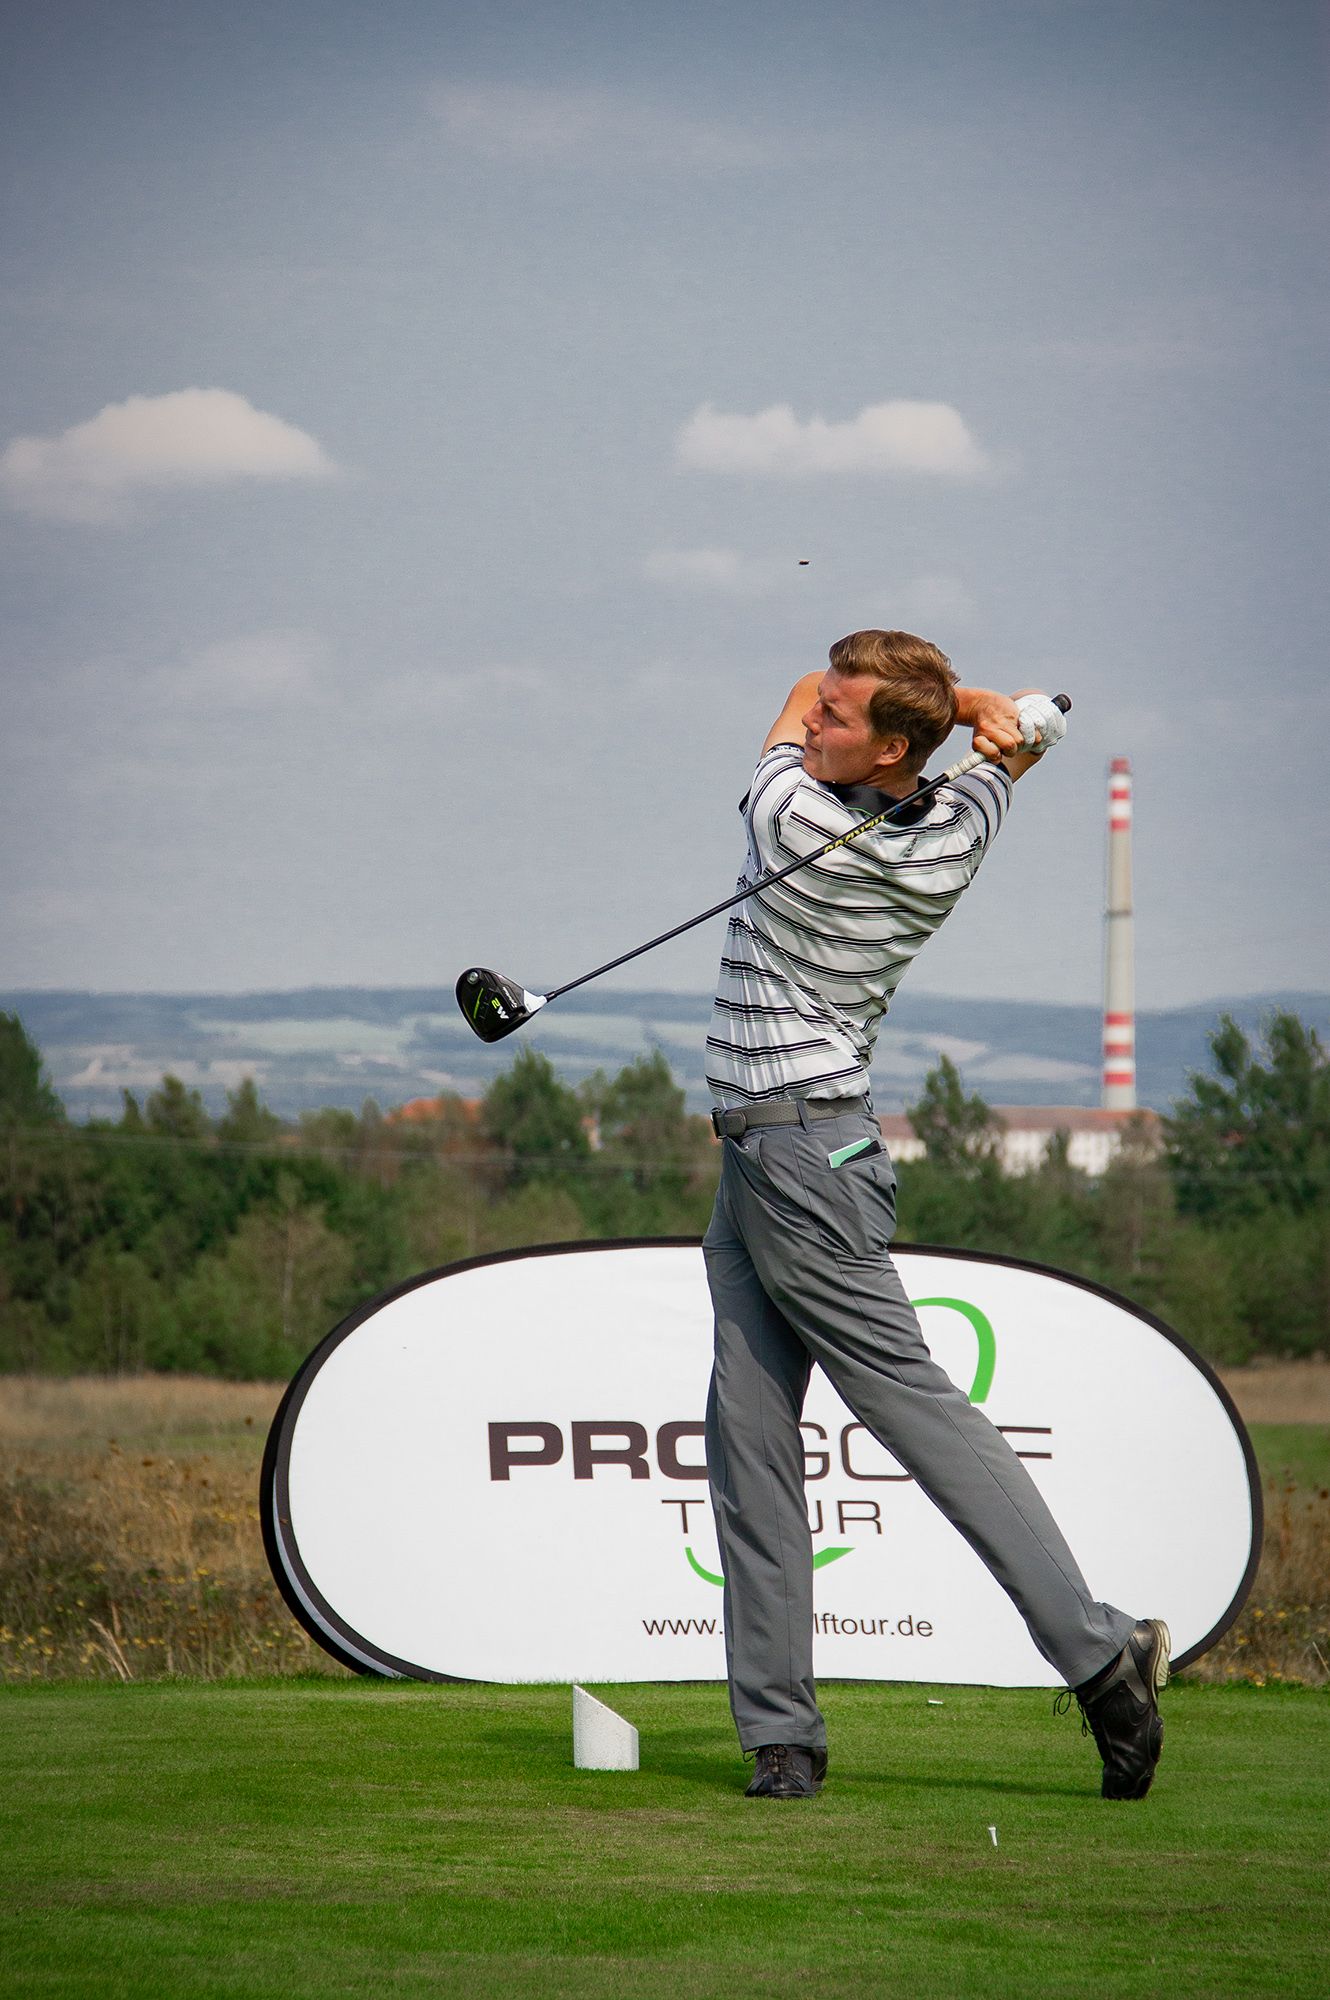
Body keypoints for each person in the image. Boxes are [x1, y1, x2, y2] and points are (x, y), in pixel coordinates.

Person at [701, 628, 1169, 1802]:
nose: (817, 718)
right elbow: (1004, 762)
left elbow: (798, 688)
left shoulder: (792, 819)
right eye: (827, 707)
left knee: (913, 1409)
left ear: (886, 751)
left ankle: (1098, 1651)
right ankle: (781, 1733)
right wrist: (988, 725)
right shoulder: (958, 827)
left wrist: (970, 701)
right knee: (749, 1442)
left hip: (800, 1158)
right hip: (772, 1155)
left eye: (842, 716)